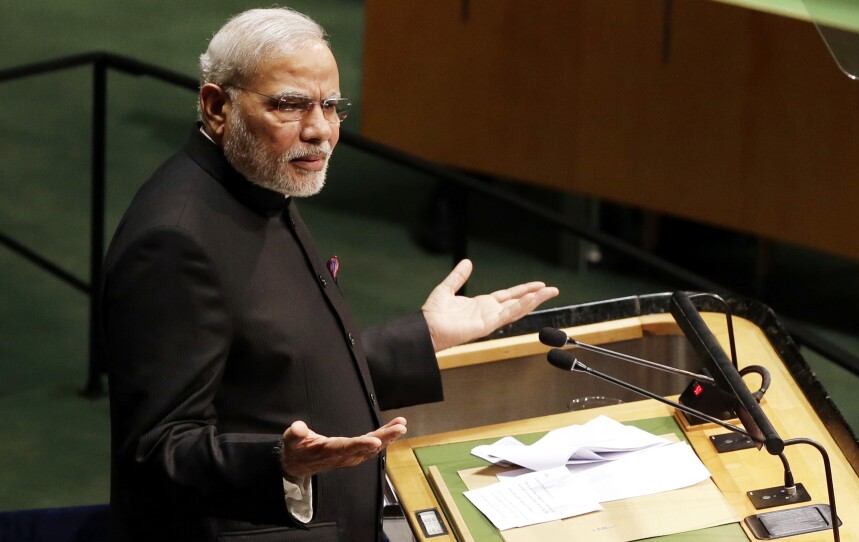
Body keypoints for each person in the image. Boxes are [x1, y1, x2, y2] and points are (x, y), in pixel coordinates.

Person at [101, 7, 558, 541]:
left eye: (331, 106)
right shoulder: (175, 240)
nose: (320, 131)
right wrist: (280, 463)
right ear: (217, 106)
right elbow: (155, 449)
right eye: (290, 106)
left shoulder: (262, 183)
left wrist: (425, 336)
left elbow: (278, 362)